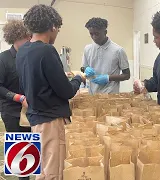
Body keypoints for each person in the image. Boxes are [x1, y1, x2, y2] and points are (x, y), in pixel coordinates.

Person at [16, 5, 85, 180]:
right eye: (58, 29)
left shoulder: (23, 51)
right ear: (53, 26)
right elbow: (66, 91)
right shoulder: (46, 50)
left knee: (43, 168)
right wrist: (78, 78)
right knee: (52, 172)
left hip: (36, 118)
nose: (57, 33)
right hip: (50, 121)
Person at [0, 20, 31, 180]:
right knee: (18, 153)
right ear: (16, 37)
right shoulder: (3, 59)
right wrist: (18, 97)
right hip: (11, 111)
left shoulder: (29, 57)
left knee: (29, 153)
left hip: (30, 111)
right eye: (26, 37)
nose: (29, 40)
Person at [82, 17, 130, 94]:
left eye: (97, 34)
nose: (94, 37)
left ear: (105, 32)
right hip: (92, 94)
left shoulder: (118, 50)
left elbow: (127, 75)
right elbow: (83, 68)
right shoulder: (87, 49)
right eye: (91, 34)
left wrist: (108, 78)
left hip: (110, 94)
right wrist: (86, 69)